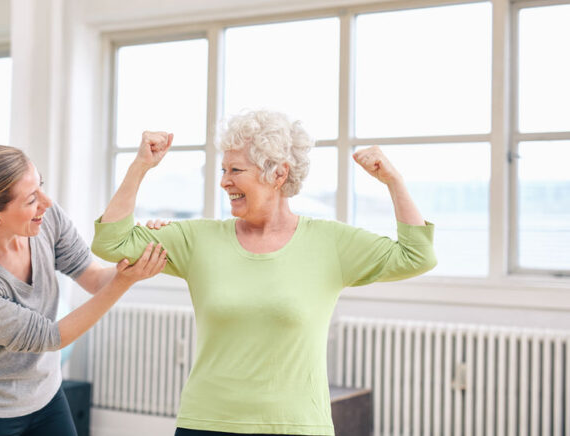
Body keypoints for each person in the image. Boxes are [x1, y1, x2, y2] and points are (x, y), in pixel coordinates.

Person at [91, 110, 437, 436]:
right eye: (223, 171)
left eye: (236, 171)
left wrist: (393, 180)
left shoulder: (329, 242)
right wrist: (140, 166)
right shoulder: (198, 239)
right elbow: (112, 241)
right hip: (208, 422)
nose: (225, 182)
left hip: (296, 426)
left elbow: (416, 256)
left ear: (278, 174)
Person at [0, 144, 167, 436]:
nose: (47, 202)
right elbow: (51, 337)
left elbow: (93, 278)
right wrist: (124, 281)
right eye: (31, 199)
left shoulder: (45, 221)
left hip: (46, 398)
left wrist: (142, 253)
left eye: (40, 185)